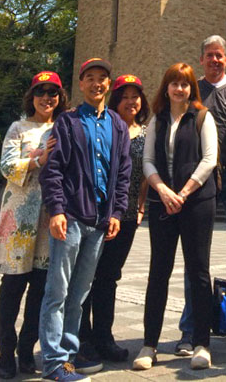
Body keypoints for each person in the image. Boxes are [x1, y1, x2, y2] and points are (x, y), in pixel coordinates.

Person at [39, 57, 132, 382]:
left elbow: (123, 174)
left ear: (109, 84)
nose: (97, 83)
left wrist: (117, 212)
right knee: (58, 292)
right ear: (81, 85)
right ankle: (53, 362)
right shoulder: (66, 122)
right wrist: (56, 210)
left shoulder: (118, 125)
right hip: (71, 218)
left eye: (102, 78)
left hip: (98, 223)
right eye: (90, 78)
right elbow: (52, 170)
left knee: (79, 295)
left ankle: (68, 354)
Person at [133, 62, 218, 372]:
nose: (179, 89)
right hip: (162, 201)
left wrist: (182, 192)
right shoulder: (157, 119)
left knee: (198, 272)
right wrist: (164, 192)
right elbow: (148, 161)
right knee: (159, 271)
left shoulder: (202, 117)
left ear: (191, 88)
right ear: (166, 88)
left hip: (197, 202)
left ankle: (201, 343)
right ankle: (149, 344)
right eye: (174, 83)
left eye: (185, 84)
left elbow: (210, 159)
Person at [176, 35, 226, 352]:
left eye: (219, 56)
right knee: (196, 253)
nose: (214, 60)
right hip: (201, 178)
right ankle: (191, 326)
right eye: (209, 55)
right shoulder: (191, 91)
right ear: (201, 60)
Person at [0, 70, 68, 379]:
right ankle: (5, 352)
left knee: (40, 288)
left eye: (53, 92)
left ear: (60, 97)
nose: (47, 98)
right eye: (41, 92)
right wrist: (38, 159)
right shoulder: (18, 127)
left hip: (49, 217)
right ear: (31, 96)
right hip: (18, 218)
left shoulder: (65, 127)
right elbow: (7, 166)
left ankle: (27, 351)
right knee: (12, 287)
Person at [79, 74, 149, 364]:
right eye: (124, 96)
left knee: (108, 276)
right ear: (115, 99)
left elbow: (147, 171)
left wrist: (142, 204)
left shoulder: (145, 133)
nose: (131, 101)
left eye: (135, 96)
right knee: (85, 276)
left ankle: (104, 337)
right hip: (99, 213)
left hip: (129, 214)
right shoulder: (103, 126)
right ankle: (82, 338)